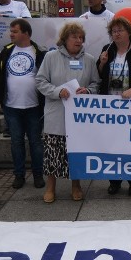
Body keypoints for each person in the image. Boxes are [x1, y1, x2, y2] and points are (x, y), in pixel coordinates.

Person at [36, 23, 101, 203]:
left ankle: (76, 185)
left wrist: (87, 91)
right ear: (65, 39)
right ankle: (50, 187)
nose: (78, 41)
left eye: (81, 38)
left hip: (79, 117)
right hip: (55, 113)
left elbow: (96, 83)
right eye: (75, 37)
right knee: (53, 151)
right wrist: (57, 91)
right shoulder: (50, 57)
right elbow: (40, 81)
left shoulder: (89, 59)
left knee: (75, 151)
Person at [98, 16, 131, 195]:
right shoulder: (107, 50)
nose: (117, 33)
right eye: (113, 31)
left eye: (120, 30)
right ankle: (114, 181)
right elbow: (99, 76)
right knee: (112, 145)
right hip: (111, 107)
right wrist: (102, 63)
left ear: (129, 32)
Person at [0, 19, 46, 190]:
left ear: (26, 33)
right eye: (11, 31)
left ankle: (38, 174)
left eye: (15, 31)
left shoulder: (39, 52)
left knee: (36, 143)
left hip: (34, 106)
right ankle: (19, 175)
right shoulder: (6, 52)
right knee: (16, 142)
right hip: (11, 106)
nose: (11, 34)